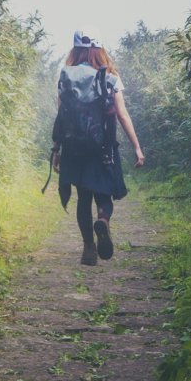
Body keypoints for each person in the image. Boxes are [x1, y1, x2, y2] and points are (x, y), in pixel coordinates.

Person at [53, 30, 145, 266]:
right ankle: (103, 220)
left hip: (74, 148)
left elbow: (61, 117)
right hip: (103, 148)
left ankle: (88, 249)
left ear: (75, 50)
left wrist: (56, 149)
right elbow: (122, 116)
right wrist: (137, 147)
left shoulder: (66, 76)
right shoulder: (110, 78)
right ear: (100, 50)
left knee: (83, 199)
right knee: (103, 194)